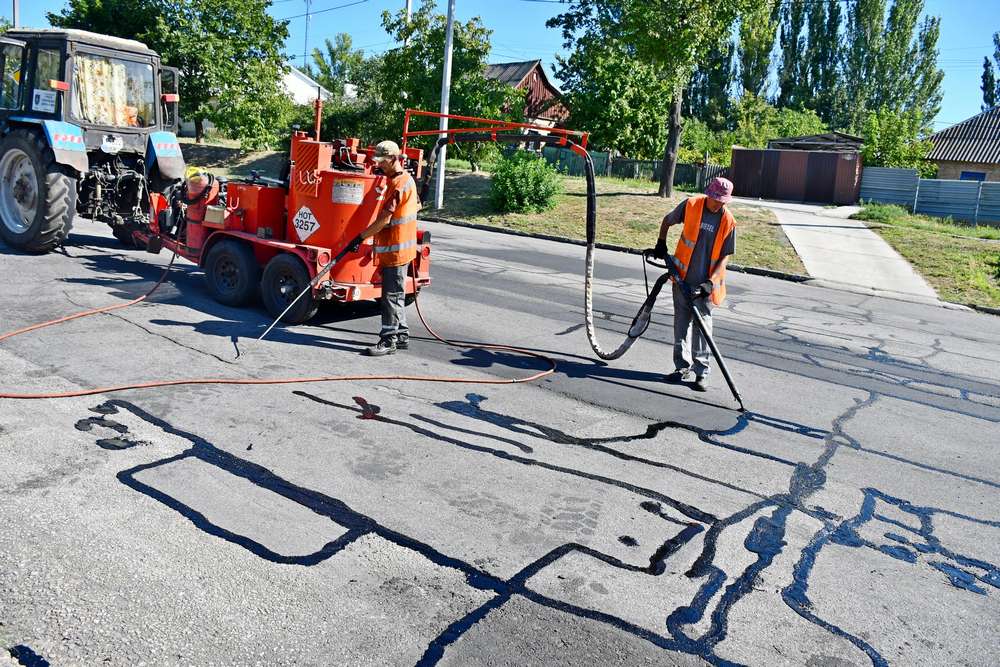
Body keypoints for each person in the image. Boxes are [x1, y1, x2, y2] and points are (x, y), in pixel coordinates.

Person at [649, 177, 736, 392]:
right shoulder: (691, 205)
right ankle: (681, 367)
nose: (719, 203)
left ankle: (701, 373)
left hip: (705, 286)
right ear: (709, 194)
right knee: (681, 325)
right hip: (682, 279)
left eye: (723, 200)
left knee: (703, 329)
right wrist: (661, 243)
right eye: (716, 199)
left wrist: (710, 282)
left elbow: (725, 257)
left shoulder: (728, 221)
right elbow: (667, 220)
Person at [352, 140, 420, 356]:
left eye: (382, 161)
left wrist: (361, 237)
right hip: (402, 249)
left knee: (390, 296)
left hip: (396, 250)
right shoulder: (403, 180)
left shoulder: (399, 185)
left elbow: (384, 219)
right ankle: (401, 336)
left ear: (393, 159)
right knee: (397, 295)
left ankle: (388, 340)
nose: (379, 165)